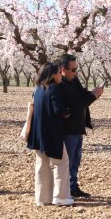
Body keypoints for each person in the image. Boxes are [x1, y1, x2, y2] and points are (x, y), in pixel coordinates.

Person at [26, 62, 74, 206]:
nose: (61, 75)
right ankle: (61, 197)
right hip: (52, 133)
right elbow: (59, 109)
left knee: (42, 165)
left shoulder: (38, 89)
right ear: (53, 74)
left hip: (38, 134)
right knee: (61, 163)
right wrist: (69, 112)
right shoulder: (54, 89)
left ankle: (42, 198)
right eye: (59, 73)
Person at [59, 54, 103, 198]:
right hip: (68, 128)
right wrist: (92, 96)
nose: (75, 72)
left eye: (76, 69)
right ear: (63, 69)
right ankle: (64, 190)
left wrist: (92, 93)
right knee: (68, 161)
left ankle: (73, 187)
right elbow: (76, 103)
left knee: (75, 160)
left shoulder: (74, 80)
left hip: (78, 126)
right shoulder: (61, 84)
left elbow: (81, 96)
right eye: (72, 70)